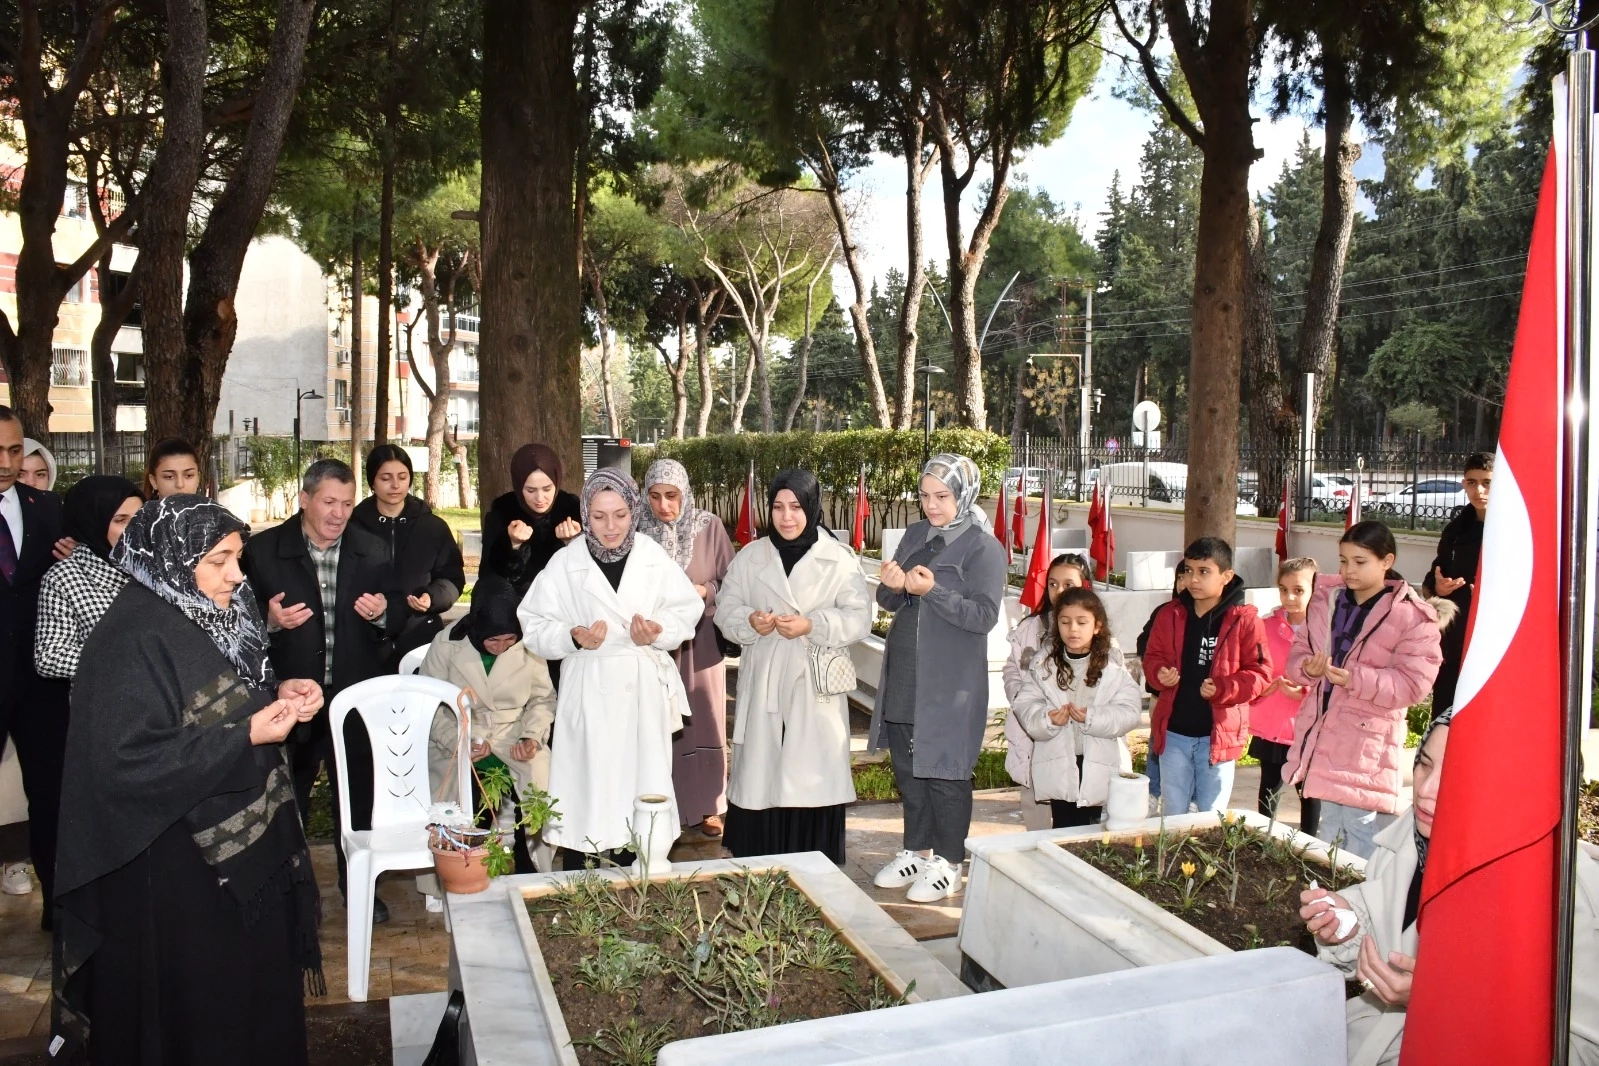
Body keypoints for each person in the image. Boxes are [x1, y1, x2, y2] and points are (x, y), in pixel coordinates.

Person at [52, 495, 325, 1065]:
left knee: (246, 1000)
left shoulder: (223, 611)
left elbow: (235, 697)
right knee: (193, 1015)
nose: (236, 574)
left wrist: (281, 695)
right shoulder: (129, 636)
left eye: (238, 557)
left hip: (243, 854)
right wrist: (244, 736)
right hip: (168, 868)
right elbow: (122, 762)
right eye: (219, 560)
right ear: (172, 560)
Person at [1298, 712, 1599, 1065]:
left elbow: (1580, 1048)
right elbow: (1386, 917)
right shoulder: (1414, 838)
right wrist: (1345, 923)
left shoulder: (1566, 897)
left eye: (1457, 775)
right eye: (1424, 764)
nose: (1424, 791)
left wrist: (1439, 1003)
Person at [516, 468, 703, 870]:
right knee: (589, 790)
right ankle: (580, 879)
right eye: (599, 517)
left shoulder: (652, 556)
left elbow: (688, 609)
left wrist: (657, 631)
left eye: (619, 514)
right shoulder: (566, 563)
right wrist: (572, 636)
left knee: (638, 786)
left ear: (633, 510)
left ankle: (640, 869)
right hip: (589, 686)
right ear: (585, 514)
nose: (610, 526)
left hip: (639, 688)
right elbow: (532, 624)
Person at [242, 459, 394, 921]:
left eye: (347, 503)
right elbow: (234, 627)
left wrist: (382, 614)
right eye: (329, 502)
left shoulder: (373, 549)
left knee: (359, 797)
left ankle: (360, 886)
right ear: (304, 499)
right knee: (290, 798)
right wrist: (268, 621)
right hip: (292, 702)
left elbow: (395, 623)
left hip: (353, 699)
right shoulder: (263, 551)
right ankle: (293, 892)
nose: (339, 513)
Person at [868, 454, 1007, 903]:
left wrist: (934, 591)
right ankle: (916, 850)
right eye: (925, 496)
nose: (932, 506)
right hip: (907, 673)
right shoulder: (914, 534)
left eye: (942, 496)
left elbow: (983, 616)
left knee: (946, 772)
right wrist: (889, 582)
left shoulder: (984, 548)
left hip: (949, 684)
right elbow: (890, 600)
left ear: (964, 495)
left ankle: (949, 863)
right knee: (909, 770)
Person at [716, 469, 871, 864]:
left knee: (809, 775)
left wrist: (813, 625)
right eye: (778, 507)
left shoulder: (837, 558)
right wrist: (750, 620)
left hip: (812, 681)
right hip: (765, 675)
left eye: (797, 507)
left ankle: (811, 861)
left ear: (812, 508)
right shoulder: (752, 556)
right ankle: (761, 861)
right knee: (762, 772)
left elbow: (858, 618)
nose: (787, 517)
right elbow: (726, 608)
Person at [1285, 521, 1443, 860]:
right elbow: (1299, 650)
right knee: (1329, 835)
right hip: (1323, 732)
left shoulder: (1413, 617)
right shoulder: (1327, 599)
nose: (1348, 570)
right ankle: (1329, 904)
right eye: (1343, 560)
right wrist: (1305, 667)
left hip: (1367, 742)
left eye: (1360, 562)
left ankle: (1352, 909)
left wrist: (1355, 678)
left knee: (1359, 840)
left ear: (1386, 561)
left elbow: (1414, 685)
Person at [422, 578, 555, 873]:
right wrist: (458, 741)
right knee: (458, 786)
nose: (501, 646)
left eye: (509, 639)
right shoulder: (446, 644)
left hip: (513, 730)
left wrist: (531, 737)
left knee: (537, 775)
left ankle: (526, 858)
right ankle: (465, 862)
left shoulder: (528, 644)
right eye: (492, 640)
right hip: (460, 732)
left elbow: (542, 699)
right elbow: (429, 707)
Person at [637, 458, 736, 837]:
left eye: (672, 496)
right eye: (656, 496)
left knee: (703, 719)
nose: (664, 505)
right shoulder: (637, 531)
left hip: (700, 642)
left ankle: (708, 805)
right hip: (655, 646)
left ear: (685, 494)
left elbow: (733, 582)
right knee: (659, 722)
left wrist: (705, 591)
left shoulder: (708, 527)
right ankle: (662, 806)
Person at [1142, 537, 1273, 816]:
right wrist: (1158, 674)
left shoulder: (1245, 620)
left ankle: (1205, 862)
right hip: (1174, 731)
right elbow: (1152, 657)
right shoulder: (1170, 614)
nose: (1193, 579)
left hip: (1218, 736)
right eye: (1189, 570)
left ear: (1226, 576)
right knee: (1173, 813)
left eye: (1204, 571)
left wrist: (1224, 688)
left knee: (1210, 815)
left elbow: (1261, 673)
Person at [0, 408, 67, 925]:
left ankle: (59, 909)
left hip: (41, 685)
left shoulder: (49, 509)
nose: (7, 462)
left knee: (50, 795)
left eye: (15, 450)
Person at [1004, 553, 1122, 831]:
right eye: (1053, 584)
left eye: (1068, 585)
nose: (1059, 592)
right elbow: (1012, 672)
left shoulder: (1097, 634)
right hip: (1036, 735)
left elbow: (1116, 688)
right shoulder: (1030, 628)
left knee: (1079, 823)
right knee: (1038, 819)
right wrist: (1031, 706)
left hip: (1083, 742)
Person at [351, 444, 466, 663]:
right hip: (364, 639)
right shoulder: (353, 526)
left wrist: (432, 597)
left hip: (420, 638)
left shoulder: (432, 527)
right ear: (372, 481)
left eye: (402, 477)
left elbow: (453, 578)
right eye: (385, 478)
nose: (395, 485)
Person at [34, 476, 144, 680]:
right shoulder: (64, 578)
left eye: (139, 518)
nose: (135, 529)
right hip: (105, 702)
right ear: (94, 522)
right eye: (121, 520)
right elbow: (49, 657)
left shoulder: (158, 567)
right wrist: (125, 663)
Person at [1421, 452, 1490, 714]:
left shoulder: (1514, 529)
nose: (1479, 490)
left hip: (1492, 638)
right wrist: (1438, 588)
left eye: (1487, 482)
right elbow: (1434, 574)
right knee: (1446, 713)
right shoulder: (1456, 528)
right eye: (1472, 482)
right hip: (1454, 636)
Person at [1248, 557, 1316, 820]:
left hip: (1307, 724)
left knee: (1308, 793)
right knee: (1269, 787)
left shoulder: (1324, 631)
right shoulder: (1265, 626)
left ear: (1313, 590)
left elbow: (1330, 677)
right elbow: (1254, 667)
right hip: (1273, 722)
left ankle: (1312, 847)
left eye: (1298, 590)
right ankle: (1264, 843)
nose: (1289, 597)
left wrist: (1303, 691)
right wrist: (1261, 688)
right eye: (1283, 589)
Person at [482, 443, 583, 600]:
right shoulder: (502, 512)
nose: (540, 498)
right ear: (518, 485)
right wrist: (513, 546)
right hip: (515, 606)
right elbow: (489, 578)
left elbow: (589, 576)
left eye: (547, 489)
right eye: (530, 490)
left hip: (563, 604)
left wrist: (573, 543)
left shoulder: (573, 511)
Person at [1133, 562, 1187, 807]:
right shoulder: (1164, 612)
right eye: (1181, 576)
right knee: (1157, 744)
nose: (1187, 581)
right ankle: (1152, 791)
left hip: (1193, 699)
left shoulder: (1213, 615)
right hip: (1162, 696)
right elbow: (1144, 644)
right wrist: (1159, 670)